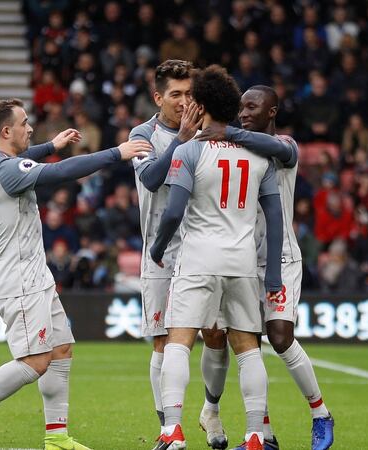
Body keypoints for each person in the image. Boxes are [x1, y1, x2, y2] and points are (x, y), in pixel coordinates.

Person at [0, 98, 150, 450]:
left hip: (33, 274)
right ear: (7, 131)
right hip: (18, 279)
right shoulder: (7, 171)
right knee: (35, 361)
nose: (30, 128)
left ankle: (56, 437)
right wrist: (117, 152)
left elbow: (23, 162)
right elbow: (60, 173)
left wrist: (49, 146)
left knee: (61, 349)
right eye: (25, 123)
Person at [149, 66, 283, 450]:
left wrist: (158, 248)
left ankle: (172, 431)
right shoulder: (259, 155)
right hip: (241, 262)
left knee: (178, 342)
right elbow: (273, 220)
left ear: (201, 104)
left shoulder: (190, 150)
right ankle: (256, 435)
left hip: (197, 260)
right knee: (247, 348)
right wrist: (272, 275)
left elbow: (173, 212)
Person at [197, 85, 335, 450]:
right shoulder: (237, 147)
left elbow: (278, 149)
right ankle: (264, 434)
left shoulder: (286, 145)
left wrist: (228, 131)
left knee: (280, 336)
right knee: (248, 346)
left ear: (271, 112)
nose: (243, 112)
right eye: (240, 107)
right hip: (242, 259)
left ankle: (320, 413)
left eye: (251, 107)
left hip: (283, 259)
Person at [128, 59, 203, 449]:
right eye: (176, 94)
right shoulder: (142, 133)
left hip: (202, 252)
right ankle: (168, 430)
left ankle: (215, 416)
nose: (184, 101)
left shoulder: (209, 130)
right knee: (162, 342)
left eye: (190, 93)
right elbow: (151, 178)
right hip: (158, 255)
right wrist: (181, 140)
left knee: (218, 336)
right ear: (158, 97)